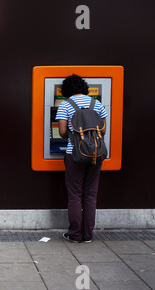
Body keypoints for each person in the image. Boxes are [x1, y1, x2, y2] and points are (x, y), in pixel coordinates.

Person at [56, 74, 108, 243]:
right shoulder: (97, 103)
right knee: (91, 194)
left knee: (75, 195)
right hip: (96, 154)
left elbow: (63, 132)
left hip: (75, 154)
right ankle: (87, 235)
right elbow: (103, 130)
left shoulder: (65, 105)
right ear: (84, 87)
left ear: (67, 90)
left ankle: (75, 234)